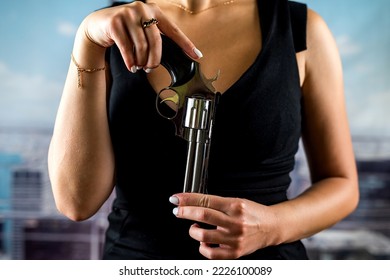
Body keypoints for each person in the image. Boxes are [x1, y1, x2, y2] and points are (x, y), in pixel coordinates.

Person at [48, 0, 359, 260]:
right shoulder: (114, 28)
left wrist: (273, 225)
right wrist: (87, 41)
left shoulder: (300, 29)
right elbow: (76, 203)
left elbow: (342, 185)